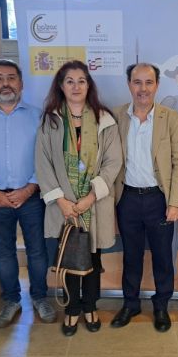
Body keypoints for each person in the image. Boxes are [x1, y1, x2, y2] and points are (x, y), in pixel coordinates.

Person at [35, 60, 122, 336]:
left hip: (94, 203)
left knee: (93, 259)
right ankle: (72, 310)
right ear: (61, 86)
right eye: (70, 81)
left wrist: (91, 196)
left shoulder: (104, 118)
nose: (76, 86)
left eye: (81, 80)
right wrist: (62, 201)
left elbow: (113, 161)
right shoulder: (50, 119)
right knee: (70, 259)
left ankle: (90, 306)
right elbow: (42, 162)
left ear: (89, 85)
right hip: (65, 206)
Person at [0, 59, 54, 328]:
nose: (5, 83)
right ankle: (11, 300)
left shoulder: (39, 116)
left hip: (32, 196)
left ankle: (41, 297)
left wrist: (29, 188)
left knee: (37, 252)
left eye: (11, 78)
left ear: (21, 83)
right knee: (5, 253)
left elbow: (46, 158)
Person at [111, 63, 178, 332]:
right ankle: (130, 304)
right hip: (128, 199)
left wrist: (176, 202)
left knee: (162, 258)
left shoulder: (171, 118)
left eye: (148, 82)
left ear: (157, 85)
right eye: (137, 82)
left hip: (159, 199)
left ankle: (161, 306)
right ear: (129, 84)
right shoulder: (117, 116)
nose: (142, 88)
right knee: (130, 256)